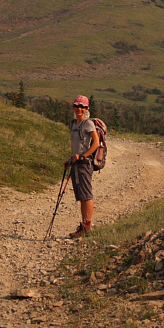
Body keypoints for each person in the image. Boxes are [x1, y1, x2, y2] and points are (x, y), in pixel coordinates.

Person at [65, 95, 100, 238]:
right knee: (81, 195)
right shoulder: (74, 123)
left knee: (86, 195)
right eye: (77, 106)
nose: (79, 109)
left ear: (87, 109)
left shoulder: (88, 124)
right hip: (76, 163)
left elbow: (96, 143)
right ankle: (84, 226)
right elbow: (77, 146)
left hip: (84, 164)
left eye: (83, 107)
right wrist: (71, 159)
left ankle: (86, 227)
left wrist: (83, 156)